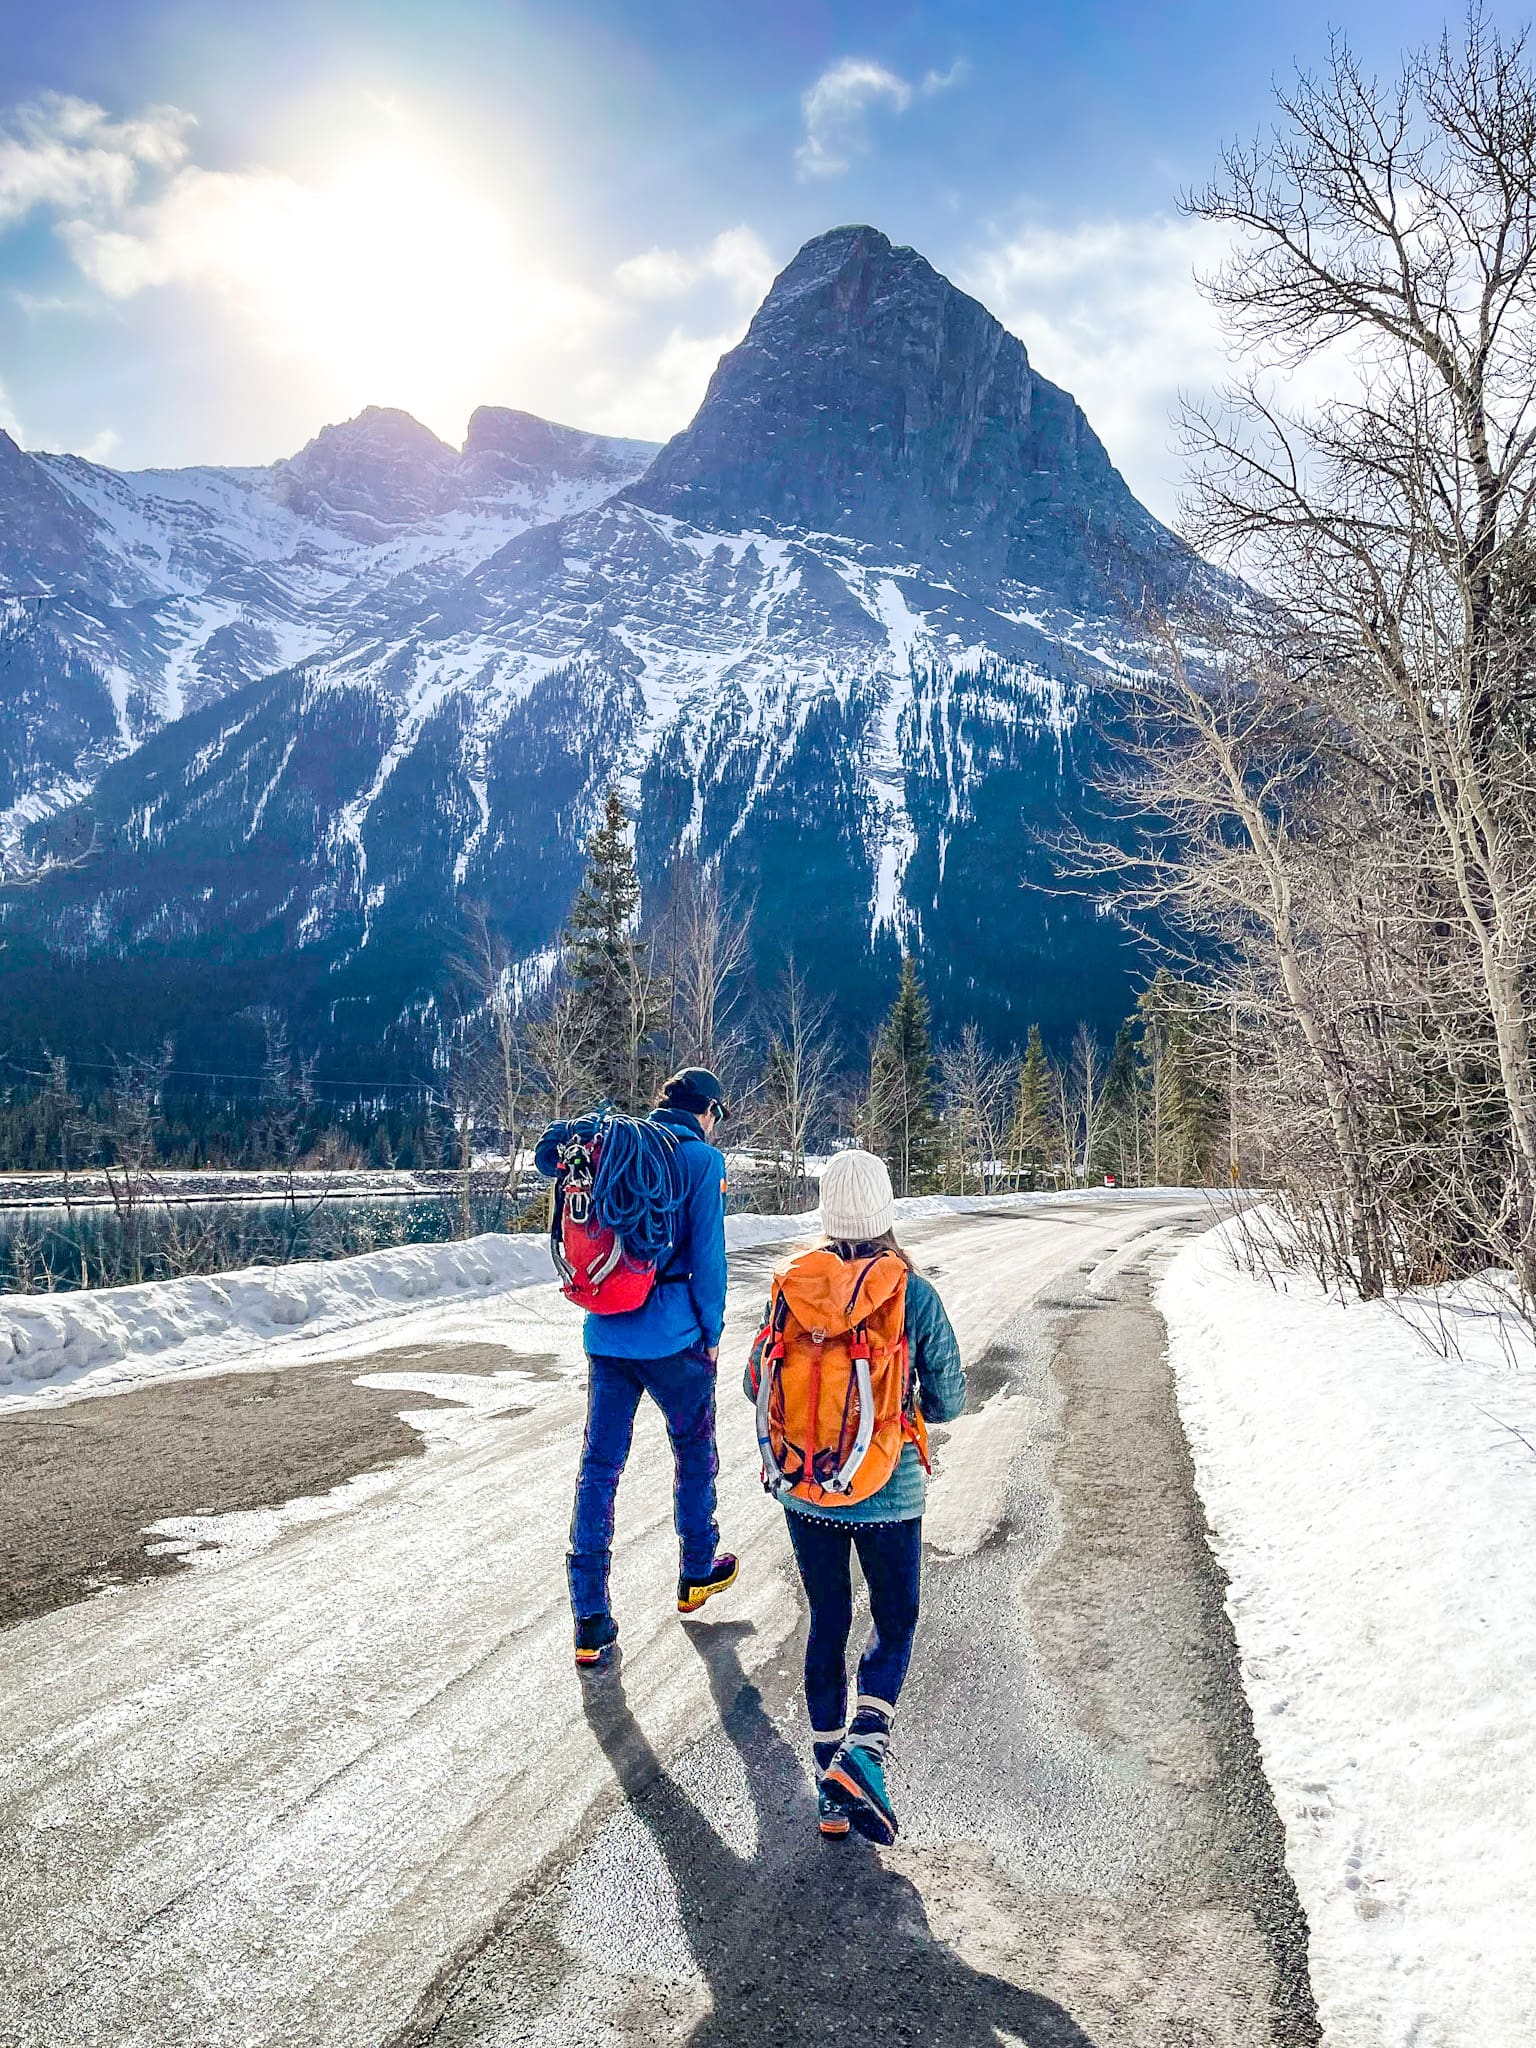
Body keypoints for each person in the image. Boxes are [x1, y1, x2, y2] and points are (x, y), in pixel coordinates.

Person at [745, 1148, 964, 1845]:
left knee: (828, 1621)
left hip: (804, 1486)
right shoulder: (911, 1292)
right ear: (886, 1208)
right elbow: (952, 1398)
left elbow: (758, 1383)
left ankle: (829, 1793)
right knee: (894, 1623)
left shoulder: (793, 1285)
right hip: (887, 1490)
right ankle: (865, 1749)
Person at [536, 1068, 739, 1670]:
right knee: (694, 1453)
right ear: (705, 1111)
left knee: (599, 1469)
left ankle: (589, 1617)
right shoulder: (701, 1161)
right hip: (674, 1339)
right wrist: (712, 1334)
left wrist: (577, 1130)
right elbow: (709, 1258)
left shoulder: (616, 1145)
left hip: (607, 1333)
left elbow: (550, 1154)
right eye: (717, 1115)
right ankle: (697, 1569)